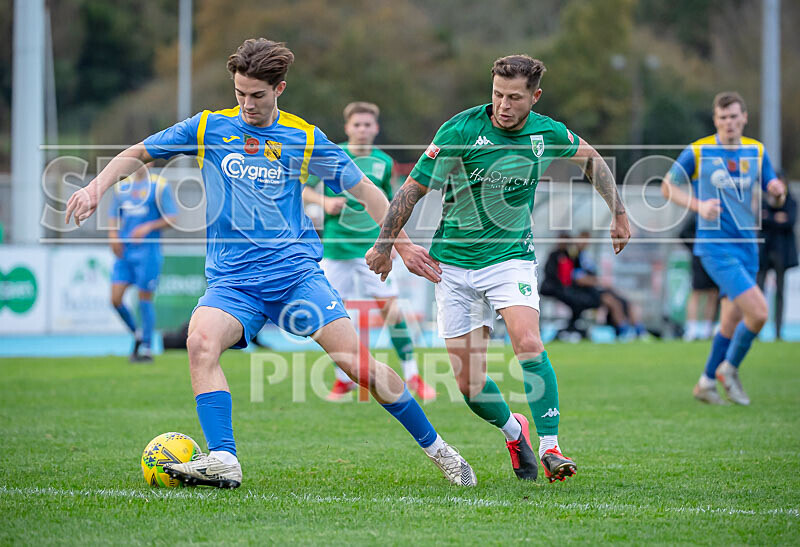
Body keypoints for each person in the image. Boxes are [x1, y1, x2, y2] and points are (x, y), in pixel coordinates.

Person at [65, 38, 476, 488]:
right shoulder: (209, 127)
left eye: (257, 95)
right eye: (239, 93)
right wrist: (96, 188)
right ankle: (224, 458)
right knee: (200, 343)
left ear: (279, 88)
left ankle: (441, 450)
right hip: (232, 284)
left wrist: (398, 243)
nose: (246, 104)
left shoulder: (303, 137)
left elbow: (366, 191)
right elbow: (138, 152)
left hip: (295, 277)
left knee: (360, 368)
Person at [366, 55, 631, 482]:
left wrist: (618, 211)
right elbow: (412, 189)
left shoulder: (547, 132)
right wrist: (385, 245)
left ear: (535, 97)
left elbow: (592, 160)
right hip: (452, 267)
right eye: (497, 95)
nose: (503, 106)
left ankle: (551, 447)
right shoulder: (461, 129)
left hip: (510, 259)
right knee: (470, 385)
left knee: (528, 341)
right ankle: (515, 431)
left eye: (514, 98)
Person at [302, 102, 435, 401]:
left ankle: (412, 374)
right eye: (356, 125)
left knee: (391, 310)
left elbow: (392, 203)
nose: (362, 130)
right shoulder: (332, 154)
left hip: (373, 249)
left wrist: (395, 243)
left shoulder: (383, 162)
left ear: (376, 128)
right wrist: (324, 203)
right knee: (331, 316)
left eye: (367, 125)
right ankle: (342, 378)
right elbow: (304, 188)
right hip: (336, 249)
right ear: (347, 127)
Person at [661, 91, 786, 405]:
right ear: (715, 120)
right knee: (758, 313)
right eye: (722, 118)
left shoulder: (757, 151)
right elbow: (667, 186)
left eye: (733, 116)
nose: (728, 123)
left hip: (748, 247)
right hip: (716, 246)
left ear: (744, 118)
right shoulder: (699, 151)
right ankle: (729, 369)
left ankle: (705, 382)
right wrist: (698, 205)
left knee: (730, 319)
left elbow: (775, 192)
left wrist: (777, 192)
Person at [108, 162, 177, 362]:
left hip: (148, 252)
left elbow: (172, 217)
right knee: (115, 299)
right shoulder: (122, 187)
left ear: (151, 162)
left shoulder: (160, 185)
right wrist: (113, 235)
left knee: (144, 299)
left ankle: (147, 347)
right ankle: (136, 334)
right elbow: (113, 214)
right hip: (125, 252)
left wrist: (148, 227)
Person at [572, 231, 647, 340]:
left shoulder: (586, 256)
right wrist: (596, 281)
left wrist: (601, 283)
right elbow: (579, 279)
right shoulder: (575, 257)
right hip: (585, 292)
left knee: (626, 302)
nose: (584, 242)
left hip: (597, 289)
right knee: (613, 302)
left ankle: (640, 331)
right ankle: (624, 331)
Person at [757, 173, 797, 340]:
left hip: (781, 252)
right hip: (764, 252)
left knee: (780, 292)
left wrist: (769, 218)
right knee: (759, 292)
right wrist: (777, 218)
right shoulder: (764, 202)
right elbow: (760, 220)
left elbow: (789, 222)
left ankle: (778, 332)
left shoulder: (791, 202)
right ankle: (756, 330)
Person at [678, 216, 719, 341]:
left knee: (713, 294)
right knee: (696, 293)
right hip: (699, 260)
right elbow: (683, 234)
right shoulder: (697, 214)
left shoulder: (720, 216)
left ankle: (707, 329)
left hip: (715, 259)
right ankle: (692, 329)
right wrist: (696, 248)